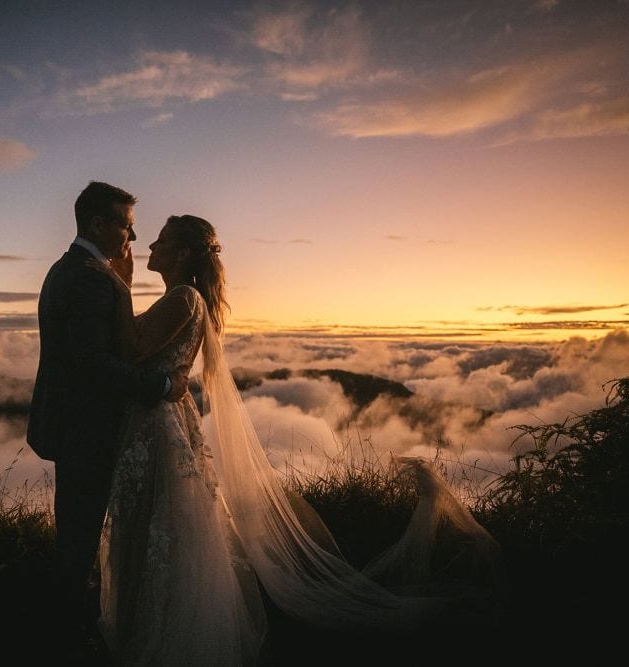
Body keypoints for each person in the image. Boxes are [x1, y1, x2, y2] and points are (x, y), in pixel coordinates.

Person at [93, 214, 504, 664]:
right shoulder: (184, 298)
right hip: (158, 423)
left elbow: (131, 349)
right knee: (163, 526)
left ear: (185, 253)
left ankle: (170, 639)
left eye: (163, 240)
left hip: (160, 428)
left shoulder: (183, 297)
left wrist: (121, 282)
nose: (149, 244)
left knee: (167, 528)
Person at [26, 181, 188, 633]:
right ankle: (73, 628)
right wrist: (162, 383)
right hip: (86, 430)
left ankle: (74, 613)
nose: (132, 238)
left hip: (72, 424)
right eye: (127, 226)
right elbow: (96, 364)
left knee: (75, 529)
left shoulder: (71, 268)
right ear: (98, 223)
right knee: (80, 534)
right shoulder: (89, 279)